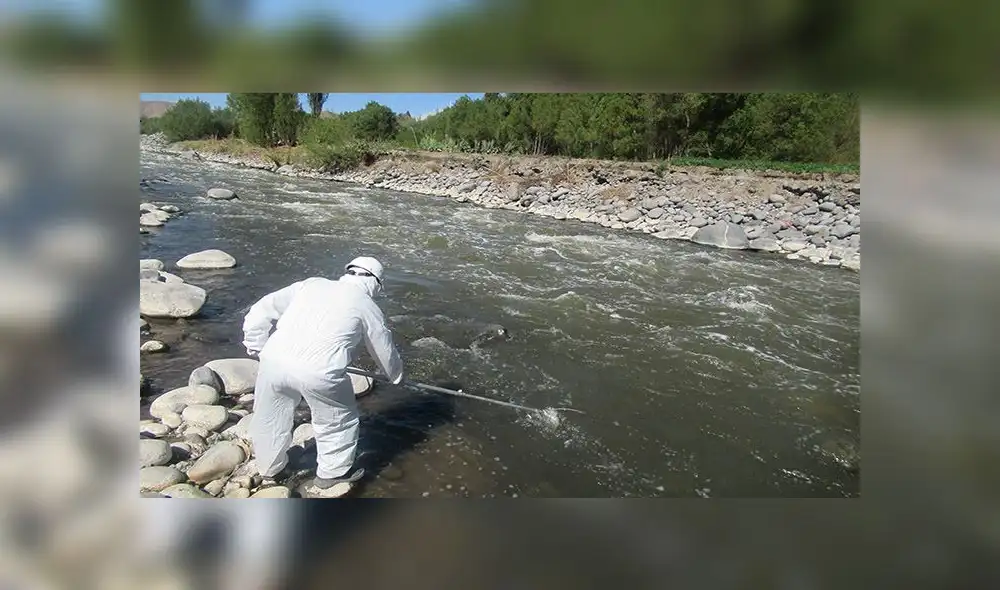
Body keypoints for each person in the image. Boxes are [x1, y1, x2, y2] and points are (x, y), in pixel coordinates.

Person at [241, 256, 404, 490]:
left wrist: (256, 346)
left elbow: (260, 310)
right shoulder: (367, 306)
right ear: (376, 282)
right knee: (337, 420)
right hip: (320, 373)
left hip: (272, 361)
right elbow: (384, 349)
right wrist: (396, 377)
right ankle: (332, 474)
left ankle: (270, 470)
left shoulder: (310, 284)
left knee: (270, 416)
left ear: (347, 272)